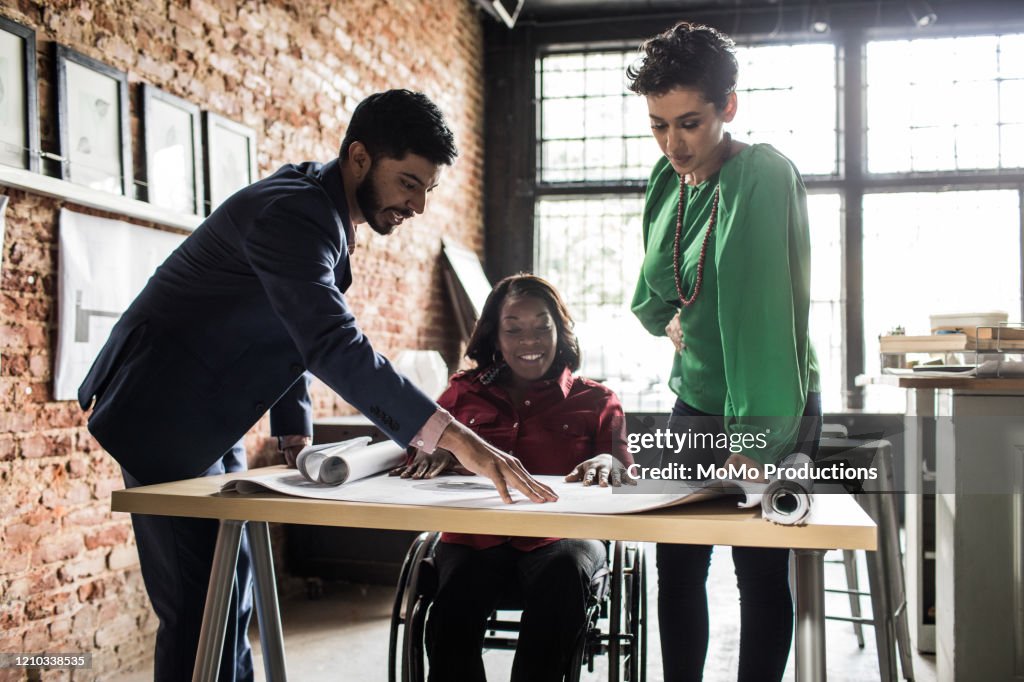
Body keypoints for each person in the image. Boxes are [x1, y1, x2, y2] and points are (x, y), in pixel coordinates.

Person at [77, 90, 556, 682]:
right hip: (164, 413)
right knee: (202, 610)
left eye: (426, 189)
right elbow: (331, 343)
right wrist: (456, 436)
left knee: (234, 595)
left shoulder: (320, 204)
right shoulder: (298, 213)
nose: (417, 204)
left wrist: (293, 432)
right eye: (408, 182)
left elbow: (285, 328)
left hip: (217, 410)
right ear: (359, 157)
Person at [626, 22, 822, 682]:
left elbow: (767, 313)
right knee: (677, 563)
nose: (674, 143)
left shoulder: (761, 175)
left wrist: (756, 440)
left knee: (757, 566)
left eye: (690, 122)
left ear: (727, 106)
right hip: (697, 397)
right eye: (658, 124)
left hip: (771, 400)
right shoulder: (665, 178)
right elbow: (654, 289)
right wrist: (667, 322)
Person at [390, 274, 634, 682]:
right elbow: (418, 446)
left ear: (561, 330)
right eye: (514, 328)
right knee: (451, 608)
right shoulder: (461, 394)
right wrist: (434, 450)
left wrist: (609, 461)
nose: (530, 340)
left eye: (543, 326)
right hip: (475, 538)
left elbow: (626, 470)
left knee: (563, 575)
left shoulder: (597, 400)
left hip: (563, 539)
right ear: (494, 334)